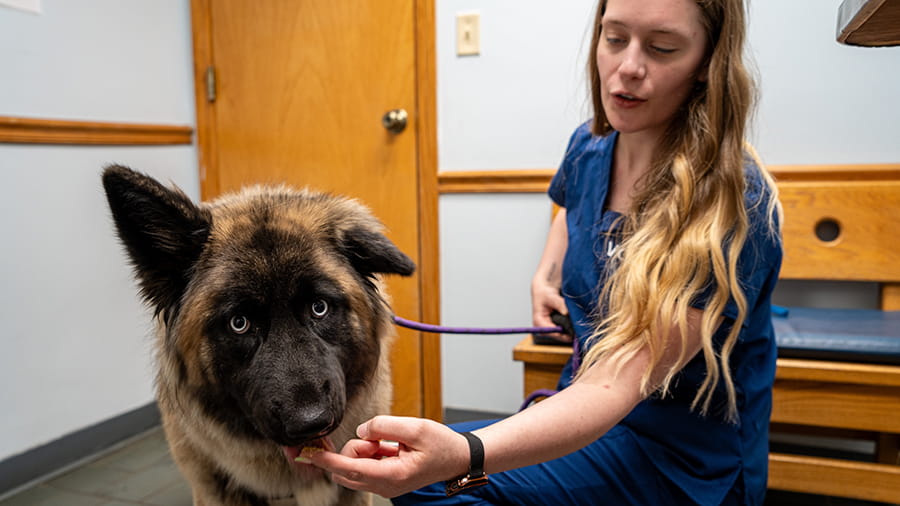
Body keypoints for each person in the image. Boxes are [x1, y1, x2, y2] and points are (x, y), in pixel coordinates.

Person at [296, 0, 783, 503]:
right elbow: (569, 208)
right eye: (614, 39)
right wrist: (546, 275)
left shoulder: (731, 204)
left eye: (662, 49)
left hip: (677, 457)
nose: (629, 67)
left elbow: (614, 387)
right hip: (586, 405)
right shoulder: (590, 147)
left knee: (435, 487)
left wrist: (468, 452)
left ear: (708, 62)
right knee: (413, 480)